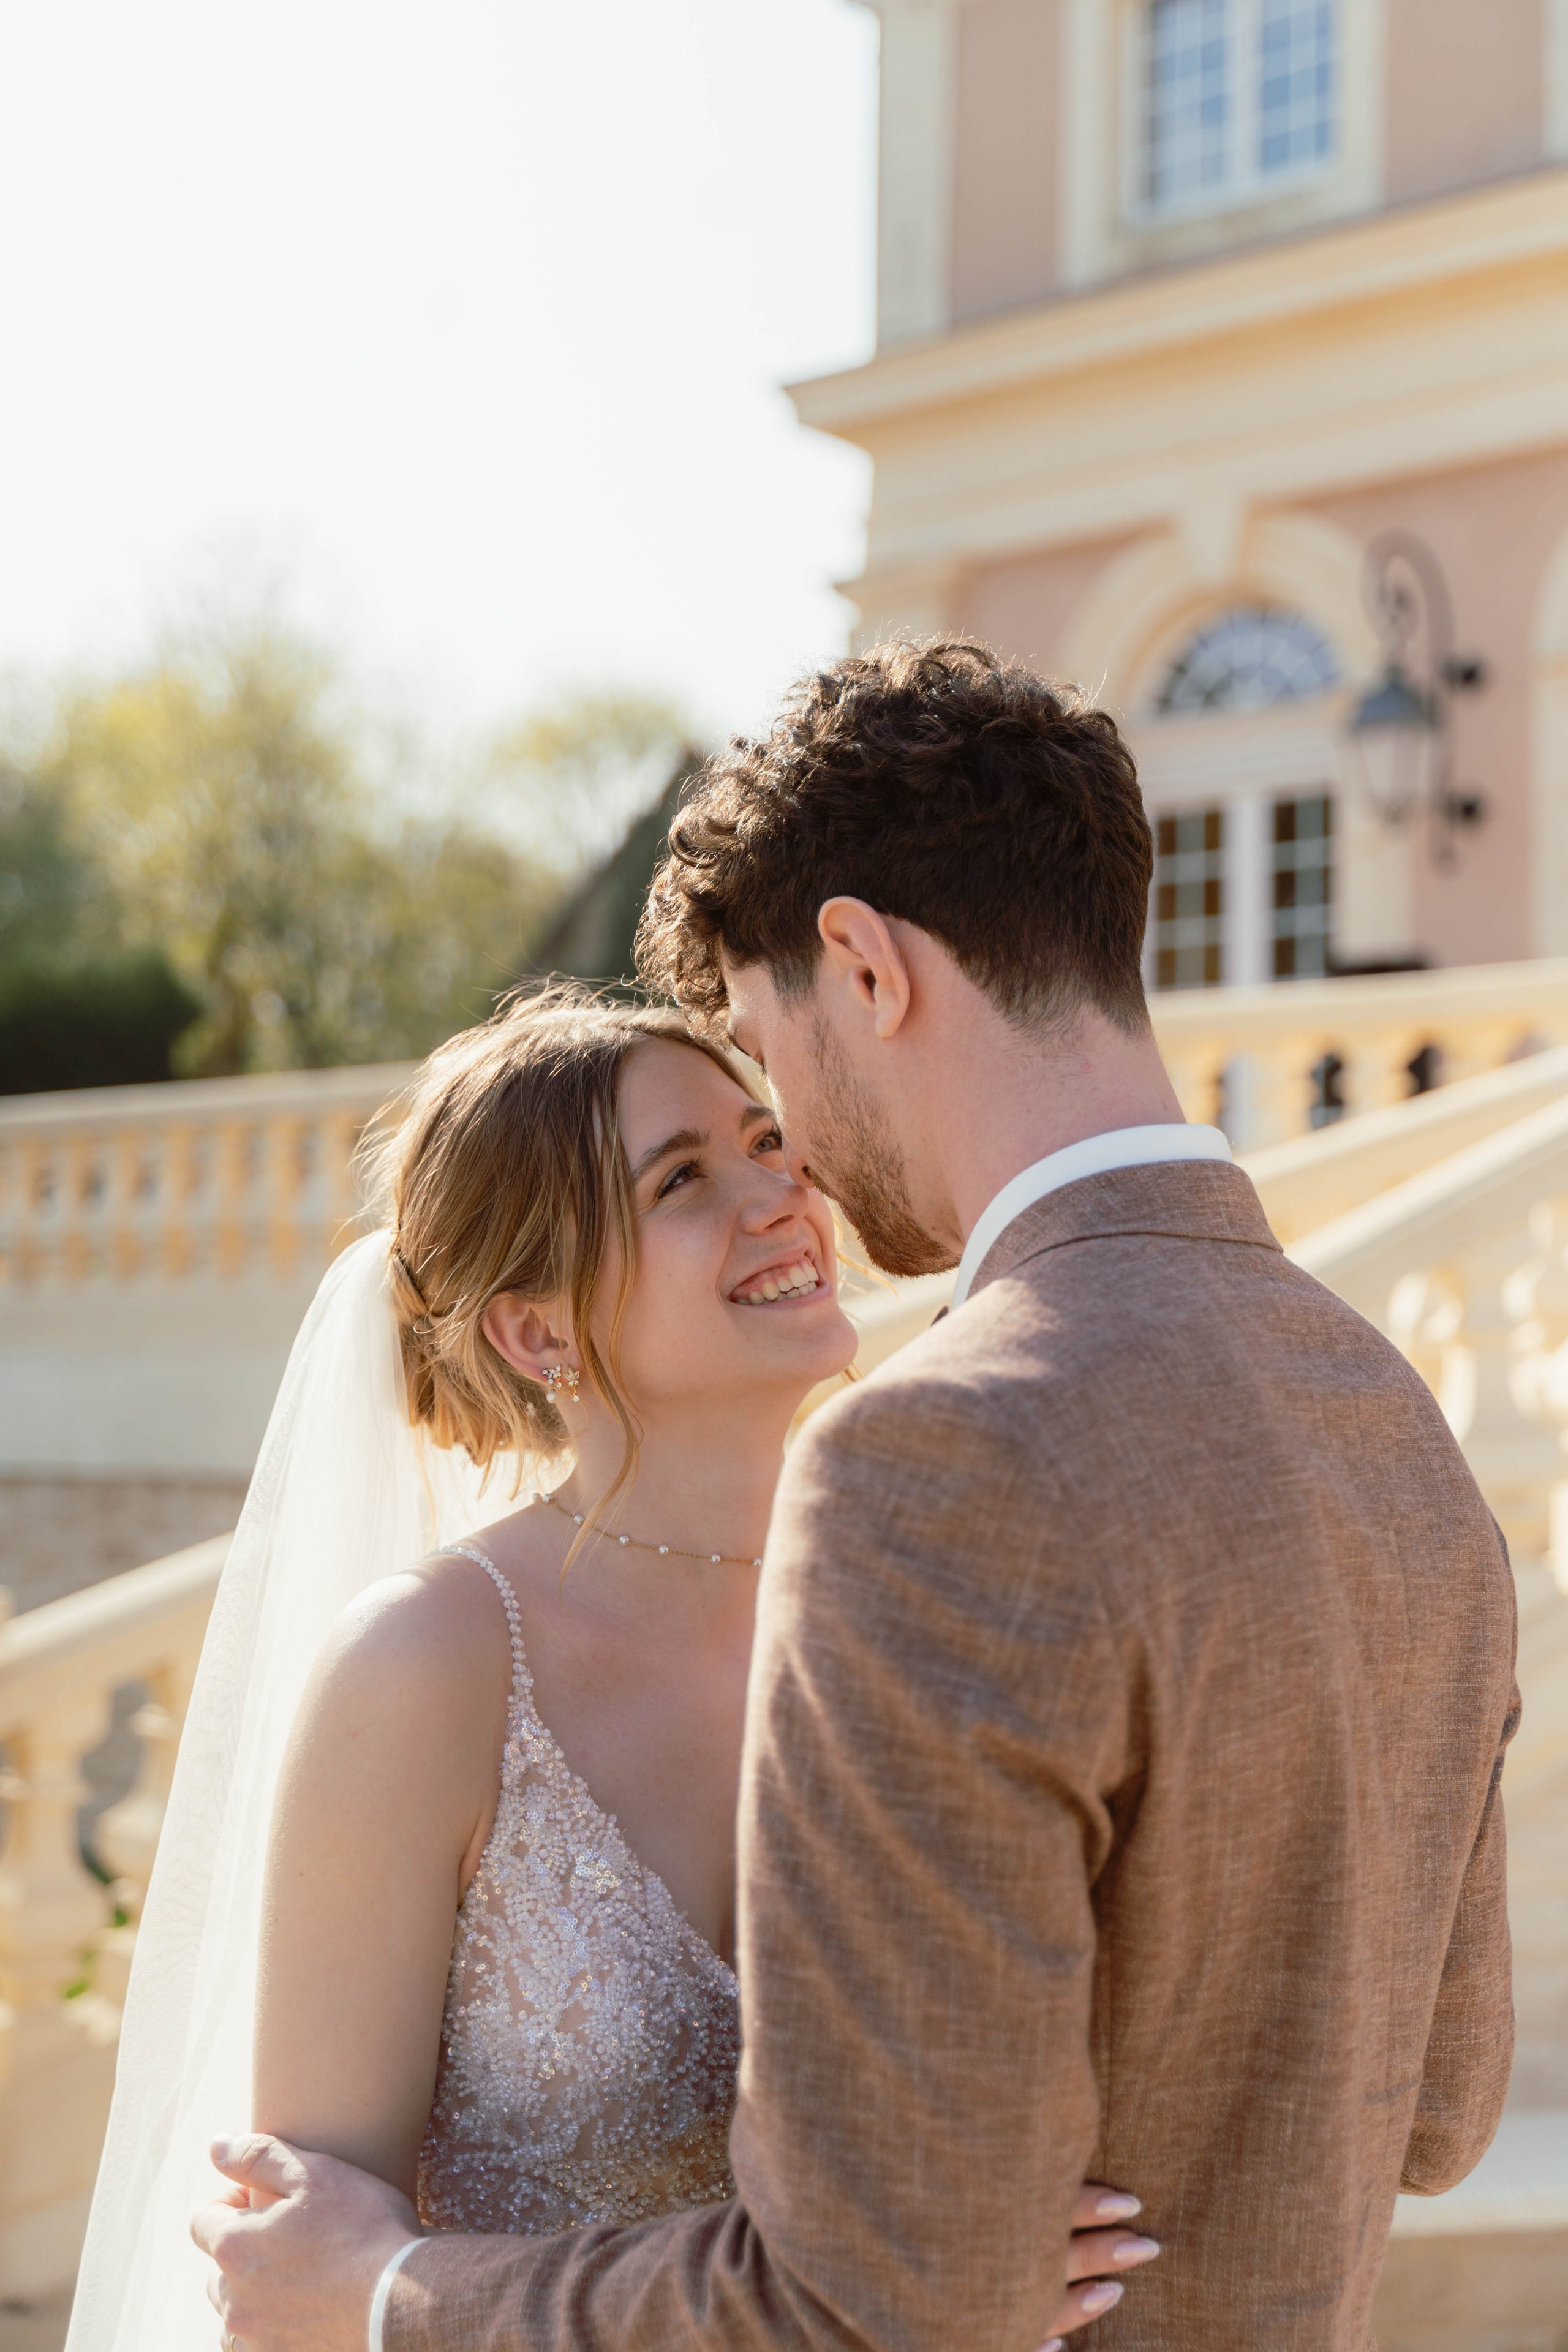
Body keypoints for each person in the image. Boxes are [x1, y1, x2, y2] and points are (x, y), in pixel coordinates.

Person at [195, 639, 1518, 2352]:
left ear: (862, 966)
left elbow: (887, 2288)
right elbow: (1434, 2106)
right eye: (693, 1168)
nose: (793, 1163)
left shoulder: (927, 1463)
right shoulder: (1394, 1420)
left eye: (764, 1065)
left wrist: (379, 2294)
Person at [68, 981, 1153, 2352]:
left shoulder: (925, 1602)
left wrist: (975, 2235)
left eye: (767, 1144)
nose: (780, 1197)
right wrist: (895, 2274)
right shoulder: (424, 1671)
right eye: (682, 1178)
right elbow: (297, 2287)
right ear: (537, 1332)